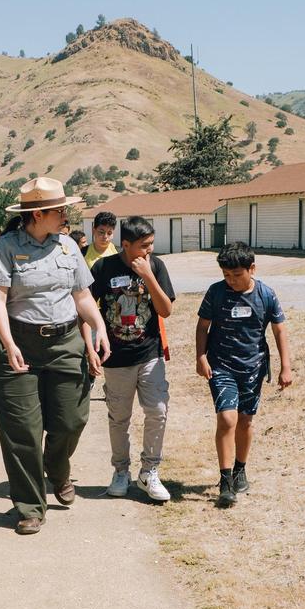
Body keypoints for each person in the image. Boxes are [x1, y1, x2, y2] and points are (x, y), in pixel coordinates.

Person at [0, 177, 110, 535]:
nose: (65, 215)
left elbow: (82, 295)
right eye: (60, 210)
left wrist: (99, 328)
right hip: (20, 342)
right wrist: (8, 344)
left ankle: (58, 470)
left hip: (65, 343)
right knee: (21, 430)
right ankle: (29, 506)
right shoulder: (5, 248)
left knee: (71, 420)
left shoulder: (69, 247)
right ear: (38, 214)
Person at [195, 242, 293, 507]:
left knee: (245, 422)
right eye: (226, 275)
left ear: (252, 268)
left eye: (237, 275)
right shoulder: (216, 293)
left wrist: (286, 366)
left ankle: (240, 469)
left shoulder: (266, 294)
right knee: (227, 418)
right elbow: (203, 326)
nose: (231, 281)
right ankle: (225, 481)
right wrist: (201, 357)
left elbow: (279, 330)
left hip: (253, 368)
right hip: (221, 366)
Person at [89, 215, 175, 502]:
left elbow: (165, 310)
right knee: (119, 419)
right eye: (143, 245)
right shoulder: (103, 267)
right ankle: (121, 472)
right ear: (124, 244)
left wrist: (148, 276)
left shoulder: (157, 266)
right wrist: (91, 348)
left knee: (158, 411)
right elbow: (87, 308)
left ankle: (149, 471)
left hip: (149, 354)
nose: (149, 250)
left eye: (151, 244)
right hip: (115, 358)